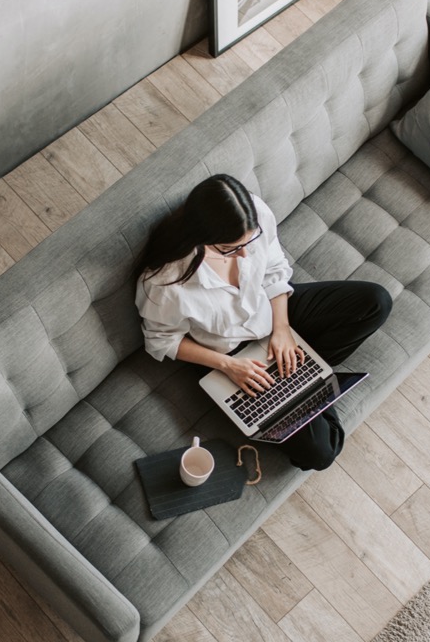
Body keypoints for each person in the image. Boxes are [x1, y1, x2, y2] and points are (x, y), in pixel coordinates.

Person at [134, 174, 392, 471]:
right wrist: (228, 366)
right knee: (322, 453)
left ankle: (301, 378)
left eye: (250, 241)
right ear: (200, 237)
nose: (244, 253)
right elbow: (161, 341)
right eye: (231, 248)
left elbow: (273, 269)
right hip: (229, 353)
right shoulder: (165, 282)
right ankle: (304, 381)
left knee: (375, 301)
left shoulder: (253, 215)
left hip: (273, 311)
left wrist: (281, 328)